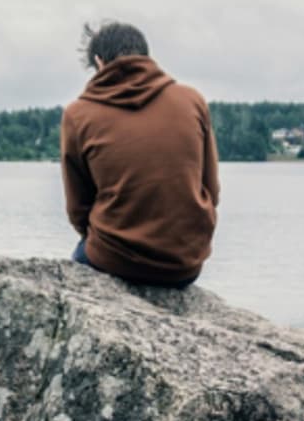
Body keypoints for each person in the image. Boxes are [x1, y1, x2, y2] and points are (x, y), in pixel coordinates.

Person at [60, 21, 219, 288]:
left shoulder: (78, 114)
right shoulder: (192, 100)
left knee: (79, 263)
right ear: (146, 56)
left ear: (99, 62)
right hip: (184, 264)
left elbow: (78, 209)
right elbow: (211, 189)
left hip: (113, 260)